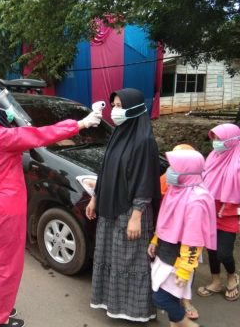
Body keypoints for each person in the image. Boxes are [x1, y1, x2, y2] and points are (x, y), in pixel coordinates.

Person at [0, 85, 102, 327]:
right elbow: (40, 135)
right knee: (7, 263)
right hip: (5, 206)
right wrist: (80, 124)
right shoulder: (1, 137)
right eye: (3, 106)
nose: (9, 111)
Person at [86, 88, 161, 322]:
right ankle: (112, 303)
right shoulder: (118, 133)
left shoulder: (144, 141)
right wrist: (95, 197)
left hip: (131, 210)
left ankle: (137, 311)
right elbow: (106, 169)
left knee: (131, 261)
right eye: (114, 106)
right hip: (109, 208)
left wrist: (137, 215)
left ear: (135, 108)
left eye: (120, 106)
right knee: (111, 257)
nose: (115, 111)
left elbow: (145, 180)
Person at [148, 150, 217, 327]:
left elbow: (194, 239)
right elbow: (166, 221)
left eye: (174, 167)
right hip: (166, 250)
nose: (169, 171)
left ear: (188, 171)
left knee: (161, 298)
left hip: (178, 258)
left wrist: (185, 269)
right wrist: (156, 240)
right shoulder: (178, 189)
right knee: (168, 296)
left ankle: (189, 325)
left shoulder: (196, 200)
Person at [197, 123, 240, 301]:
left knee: (224, 252)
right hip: (209, 211)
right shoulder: (213, 156)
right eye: (214, 138)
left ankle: (232, 275)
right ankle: (216, 281)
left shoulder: (238, 163)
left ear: (232, 140)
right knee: (212, 250)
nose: (215, 142)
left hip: (229, 214)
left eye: (220, 139)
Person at [159, 144, 200, 320]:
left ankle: (185, 301)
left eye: (177, 164)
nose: (171, 170)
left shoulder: (197, 195)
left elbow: (194, 241)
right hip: (167, 237)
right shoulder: (165, 179)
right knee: (168, 275)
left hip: (187, 241)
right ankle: (173, 307)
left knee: (187, 271)